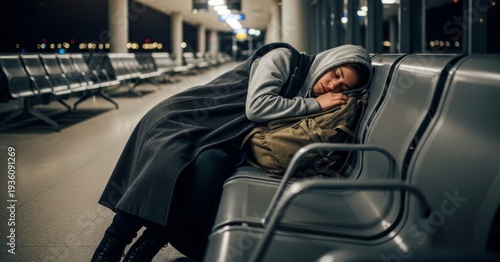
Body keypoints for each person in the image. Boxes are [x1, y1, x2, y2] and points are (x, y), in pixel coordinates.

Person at [91, 42, 373, 262]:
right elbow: (258, 107)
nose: (332, 85)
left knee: (213, 167)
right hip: (190, 119)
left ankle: (149, 244)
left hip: (224, 137)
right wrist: (317, 105)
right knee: (166, 167)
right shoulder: (284, 58)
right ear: (328, 61)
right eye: (335, 74)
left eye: (343, 87)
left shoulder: (309, 90)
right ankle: (113, 243)